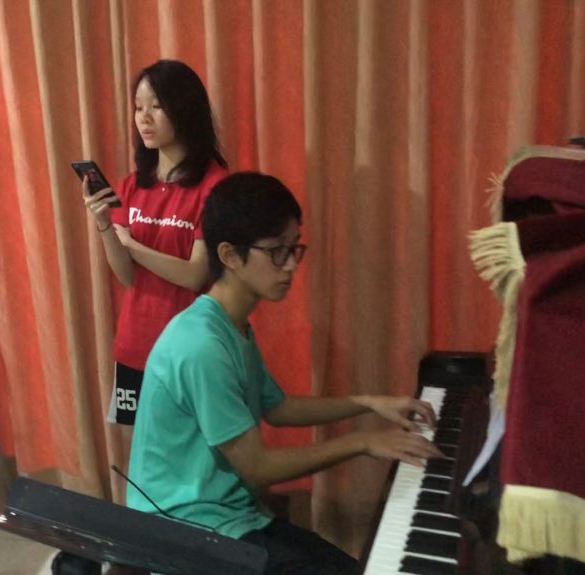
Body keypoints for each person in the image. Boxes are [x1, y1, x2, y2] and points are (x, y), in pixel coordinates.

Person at [126, 172, 444, 574]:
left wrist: (368, 403)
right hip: (184, 535)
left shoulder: (231, 325)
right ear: (229, 255)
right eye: (277, 251)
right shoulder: (202, 345)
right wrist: (362, 442)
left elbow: (276, 407)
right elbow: (257, 467)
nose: (291, 265)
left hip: (229, 516)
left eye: (294, 248)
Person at [83, 59, 228, 455]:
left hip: (189, 348)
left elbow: (196, 275)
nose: (143, 118)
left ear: (184, 109)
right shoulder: (133, 185)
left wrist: (132, 246)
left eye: (156, 106)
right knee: (141, 456)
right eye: (138, 107)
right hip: (135, 342)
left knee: (191, 455)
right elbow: (128, 277)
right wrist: (103, 224)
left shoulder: (214, 186)